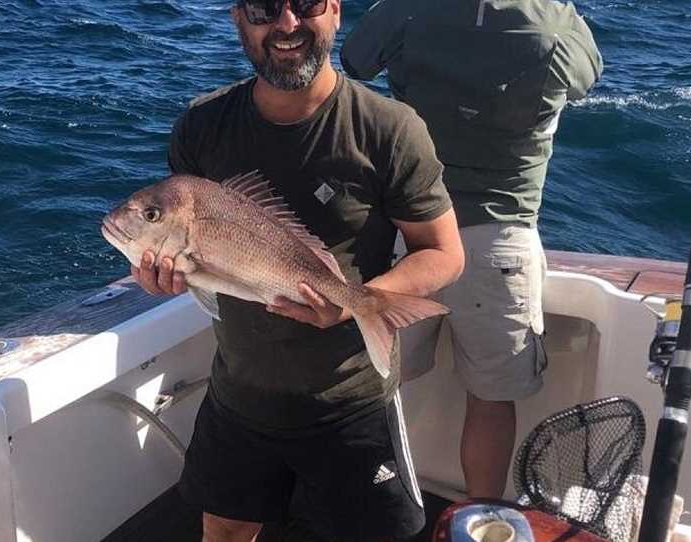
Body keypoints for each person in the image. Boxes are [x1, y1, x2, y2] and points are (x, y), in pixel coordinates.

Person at [130, 0, 464, 540]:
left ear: (335, 11)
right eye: (264, 7)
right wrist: (161, 275)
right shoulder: (202, 125)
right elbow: (180, 238)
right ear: (239, 17)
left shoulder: (389, 128)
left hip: (349, 405)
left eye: (306, 4)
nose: (286, 25)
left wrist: (363, 300)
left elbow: (444, 253)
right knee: (224, 531)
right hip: (238, 396)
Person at [341, 0, 603, 498]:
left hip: (408, 236)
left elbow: (354, 60)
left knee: (372, 389)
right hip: (501, 244)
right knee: (489, 402)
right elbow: (586, 77)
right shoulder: (552, 16)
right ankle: (479, 518)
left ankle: (366, 511)